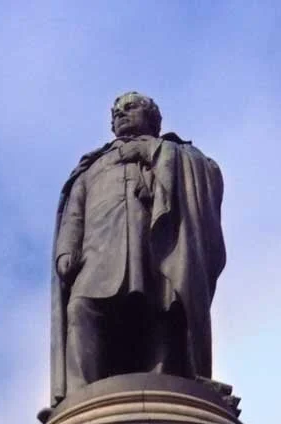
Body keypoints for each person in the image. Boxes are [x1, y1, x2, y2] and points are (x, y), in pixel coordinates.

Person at [49, 91, 225, 406]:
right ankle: (80, 398)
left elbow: (208, 175)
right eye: (115, 111)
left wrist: (154, 152)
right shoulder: (93, 165)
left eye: (129, 108)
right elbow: (75, 209)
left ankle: (165, 384)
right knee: (81, 308)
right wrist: (66, 249)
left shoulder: (177, 152)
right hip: (100, 254)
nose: (119, 114)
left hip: (158, 250)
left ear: (152, 117)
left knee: (163, 313)